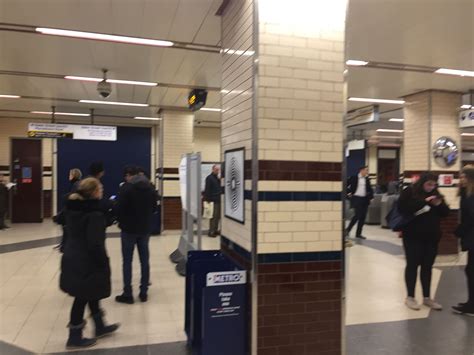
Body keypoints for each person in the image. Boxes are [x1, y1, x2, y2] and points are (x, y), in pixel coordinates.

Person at [60, 178, 119, 349]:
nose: (102, 191)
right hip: (87, 260)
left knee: (89, 293)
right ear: (93, 192)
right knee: (82, 297)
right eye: (100, 188)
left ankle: (100, 326)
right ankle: (74, 337)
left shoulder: (73, 209)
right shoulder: (94, 215)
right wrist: (103, 262)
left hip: (73, 256)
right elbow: (95, 244)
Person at [398, 172, 450, 311]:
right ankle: (410, 297)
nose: (431, 187)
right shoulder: (410, 192)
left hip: (431, 238)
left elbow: (446, 213)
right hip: (412, 237)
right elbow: (402, 208)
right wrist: (425, 201)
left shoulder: (437, 194)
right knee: (412, 265)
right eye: (429, 184)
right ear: (422, 182)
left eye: (434, 184)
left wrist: (438, 204)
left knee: (427, 267)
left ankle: (427, 297)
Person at [115, 166, 157, 304]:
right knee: (144, 261)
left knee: (127, 261)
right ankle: (143, 292)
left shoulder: (126, 188)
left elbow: (119, 208)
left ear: (129, 175)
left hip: (128, 230)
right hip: (144, 229)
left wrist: (121, 221)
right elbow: (154, 208)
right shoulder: (150, 188)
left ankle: (128, 294)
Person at [453, 167, 474, 316]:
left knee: (471, 271)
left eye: (464, 177)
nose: (461, 179)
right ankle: (470, 303)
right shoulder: (465, 194)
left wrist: (459, 231)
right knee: (470, 270)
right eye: (460, 176)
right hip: (470, 236)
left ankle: (472, 306)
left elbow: (470, 218)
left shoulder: (471, 195)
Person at [54, 168, 83, 251]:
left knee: (66, 228)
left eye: (70, 175)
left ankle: (64, 246)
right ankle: (64, 244)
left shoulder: (75, 185)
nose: (69, 176)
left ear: (74, 175)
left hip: (73, 213)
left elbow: (73, 200)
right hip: (75, 212)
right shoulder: (78, 184)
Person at [346, 166, 374, 240]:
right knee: (357, 215)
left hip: (365, 199)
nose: (367, 172)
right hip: (356, 198)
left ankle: (358, 234)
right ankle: (347, 230)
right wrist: (348, 193)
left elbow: (370, 189)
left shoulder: (367, 179)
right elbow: (345, 185)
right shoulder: (353, 177)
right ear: (361, 170)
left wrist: (371, 197)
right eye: (366, 170)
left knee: (363, 217)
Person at [204, 165, 221, 237]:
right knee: (213, 217)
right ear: (212, 169)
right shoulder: (209, 178)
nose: (217, 171)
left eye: (218, 170)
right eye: (216, 169)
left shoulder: (217, 178)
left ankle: (215, 229)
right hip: (212, 200)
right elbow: (207, 189)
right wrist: (207, 200)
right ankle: (211, 231)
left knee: (217, 216)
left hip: (218, 199)